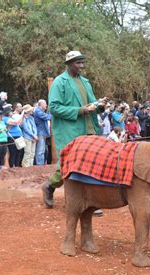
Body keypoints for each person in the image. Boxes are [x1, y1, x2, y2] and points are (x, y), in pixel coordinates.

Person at [41, 50, 106, 213]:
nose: (82, 66)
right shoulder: (59, 82)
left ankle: (91, 201)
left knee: (91, 162)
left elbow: (92, 104)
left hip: (89, 128)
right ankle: (50, 185)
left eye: (83, 62)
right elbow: (54, 108)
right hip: (69, 129)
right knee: (69, 163)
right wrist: (79, 110)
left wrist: (100, 105)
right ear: (69, 64)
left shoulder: (85, 82)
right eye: (78, 63)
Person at [33, 99, 52, 165]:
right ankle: (39, 165)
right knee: (40, 151)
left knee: (43, 150)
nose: (46, 105)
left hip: (43, 133)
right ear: (41, 104)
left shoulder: (40, 111)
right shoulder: (38, 111)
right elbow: (48, 117)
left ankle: (41, 165)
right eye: (45, 104)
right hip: (40, 133)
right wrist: (50, 112)